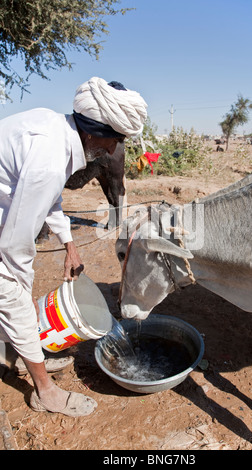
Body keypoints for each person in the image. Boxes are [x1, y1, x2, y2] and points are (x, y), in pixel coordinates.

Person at [0, 77, 147, 416]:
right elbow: (13, 248)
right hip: (6, 228)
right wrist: (20, 290)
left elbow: (50, 199)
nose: (113, 151)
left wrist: (70, 245)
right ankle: (45, 392)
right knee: (12, 292)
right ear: (93, 133)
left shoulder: (57, 128)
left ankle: (17, 353)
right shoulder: (50, 158)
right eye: (114, 141)